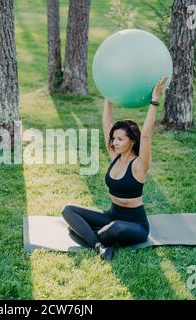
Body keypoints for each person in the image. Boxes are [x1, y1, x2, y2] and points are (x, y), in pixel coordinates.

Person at [62, 76, 168, 260]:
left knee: (110, 228)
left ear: (131, 141)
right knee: (68, 210)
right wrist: (108, 94)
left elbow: (146, 135)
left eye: (120, 139)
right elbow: (106, 124)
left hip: (135, 224)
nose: (114, 142)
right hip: (112, 214)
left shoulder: (139, 165)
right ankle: (100, 245)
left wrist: (154, 100)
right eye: (113, 139)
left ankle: (89, 236)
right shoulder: (114, 156)